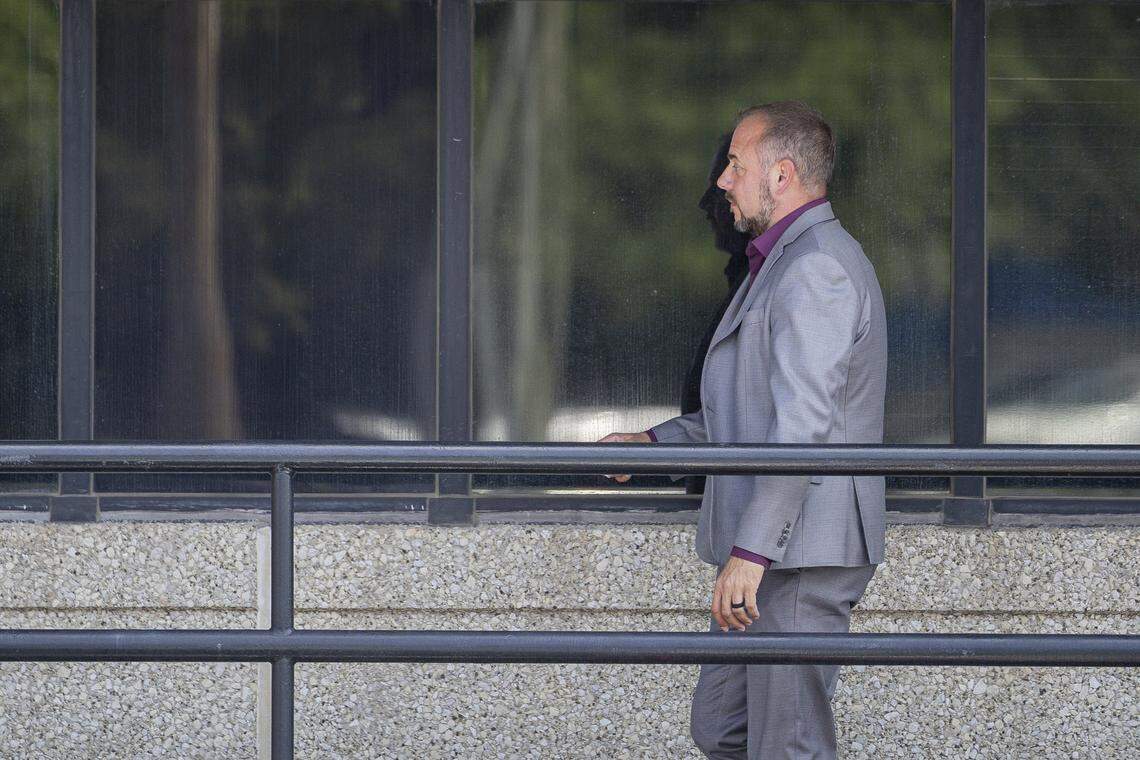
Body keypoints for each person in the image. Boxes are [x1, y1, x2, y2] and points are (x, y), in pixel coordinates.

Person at [600, 101, 888, 759]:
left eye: (735, 164)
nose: (722, 181)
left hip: (802, 554)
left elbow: (804, 426)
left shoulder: (816, 269)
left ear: (781, 175)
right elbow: (753, 416)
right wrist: (655, 445)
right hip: (774, 553)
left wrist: (752, 552)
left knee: (787, 745)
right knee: (723, 728)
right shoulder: (780, 263)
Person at [682, 133, 752, 496]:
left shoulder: (804, 273)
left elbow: (799, 433)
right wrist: (651, 442)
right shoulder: (749, 277)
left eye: (731, 175)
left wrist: (752, 551)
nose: (708, 202)